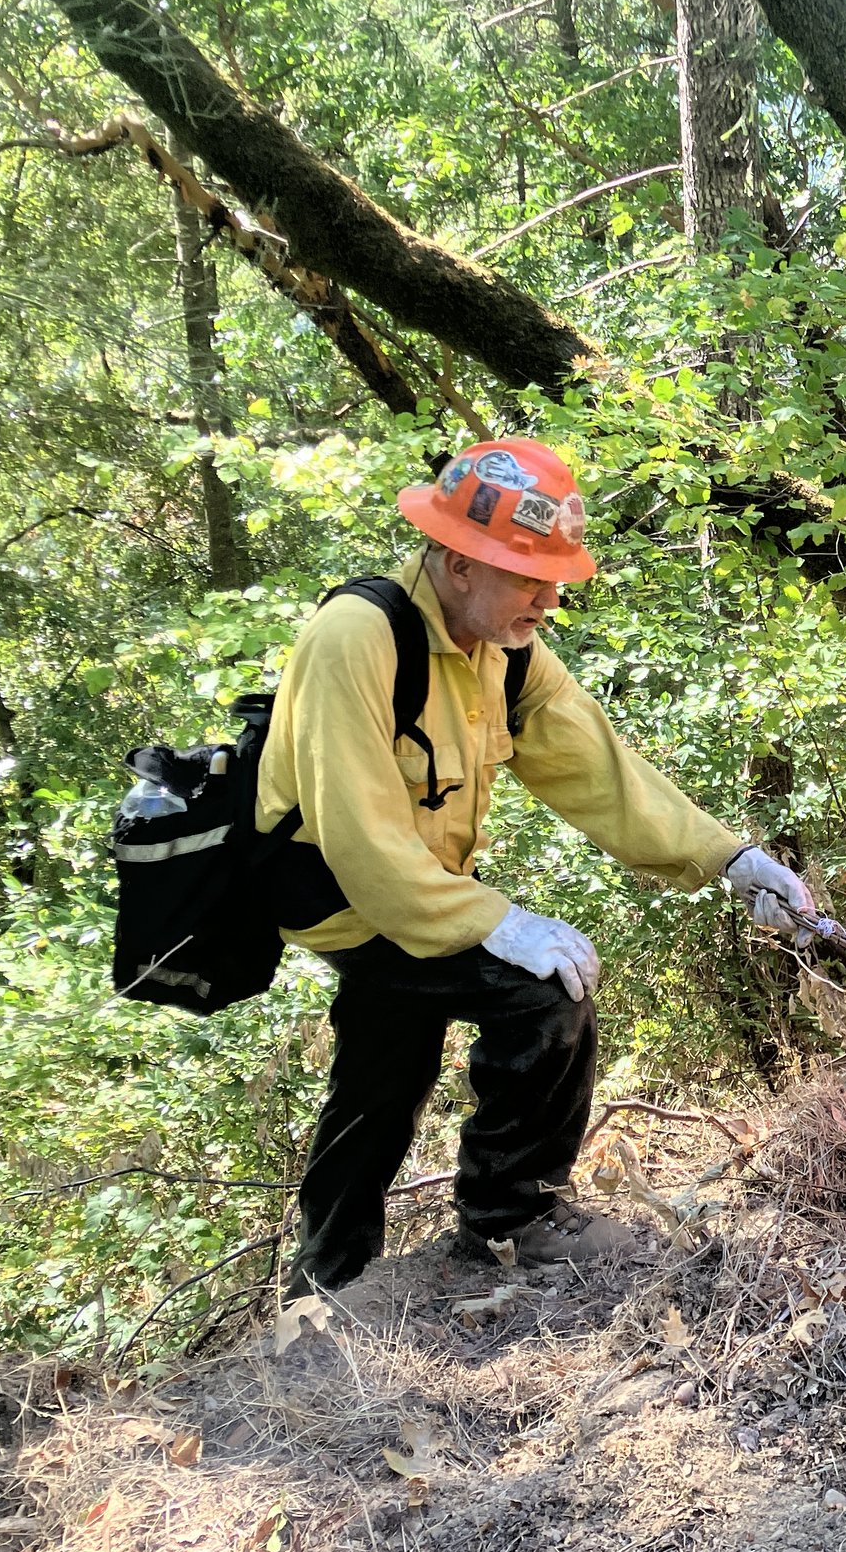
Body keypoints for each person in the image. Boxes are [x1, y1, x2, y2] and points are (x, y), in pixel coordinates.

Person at [256, 436, 813, 1293]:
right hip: (343, 893)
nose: (551, 600)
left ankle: (327, 1283)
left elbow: (602, 771)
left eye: (555, 578)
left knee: (384, 1070)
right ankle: (510, 1220)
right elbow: (364, 845)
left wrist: (729, 856)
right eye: (530, 578)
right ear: (457, 563)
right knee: (547, 992)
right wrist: (498, 922)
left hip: (417, 891)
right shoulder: (355, 640)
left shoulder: (503, 648)